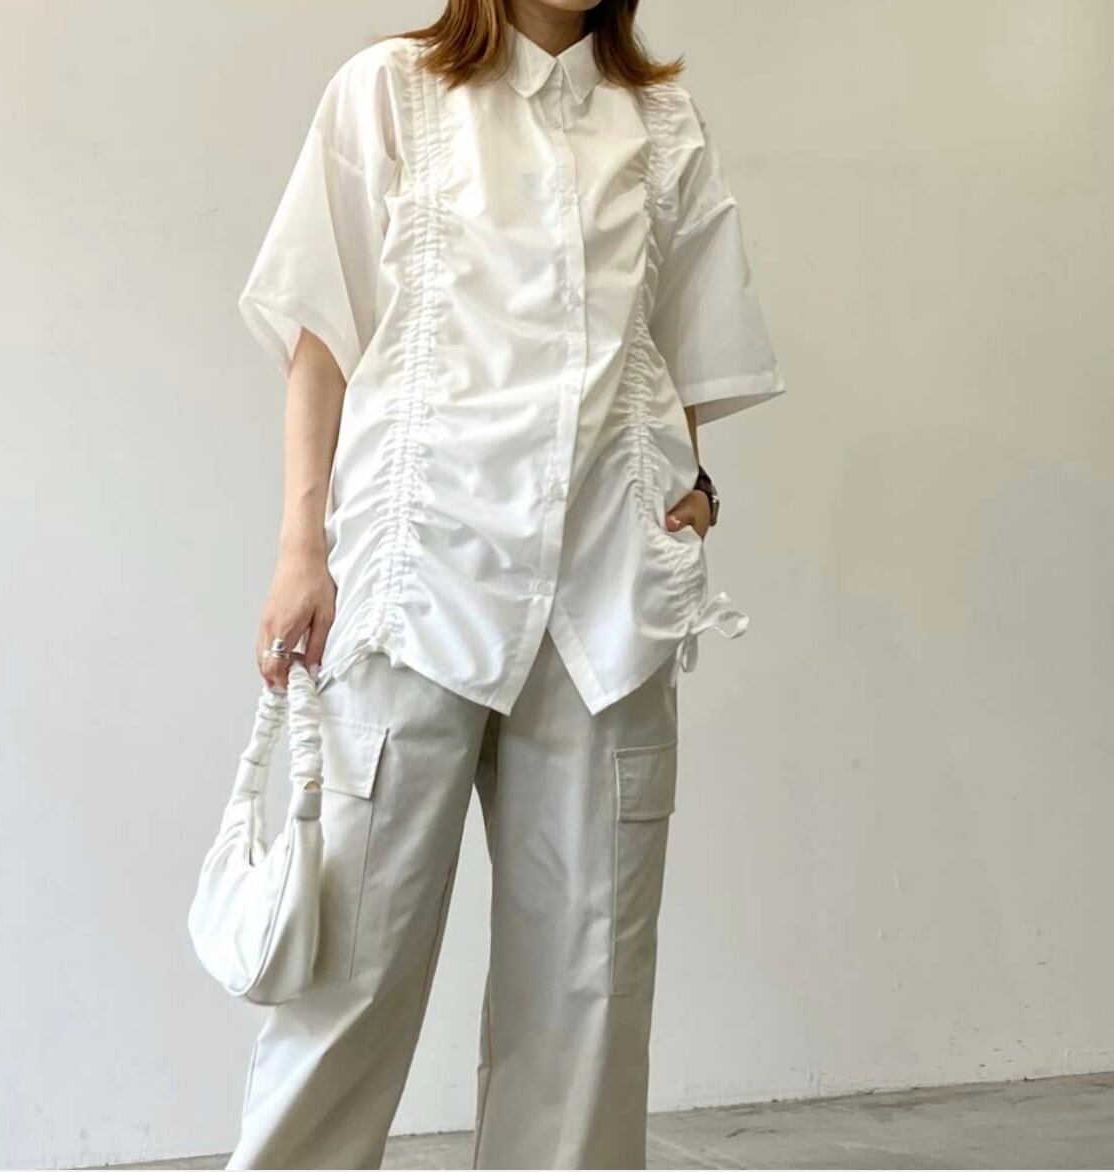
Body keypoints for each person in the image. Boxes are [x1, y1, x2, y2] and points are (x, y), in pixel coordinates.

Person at [227, 0, 785, 1166]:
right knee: (344, 976)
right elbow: (321, 337)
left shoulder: (661, 122)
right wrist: (299, 549)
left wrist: (690, 493)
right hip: (415, 589)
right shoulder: (390, 92)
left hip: (605, 606)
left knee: (589, 987)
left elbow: (681, 345)